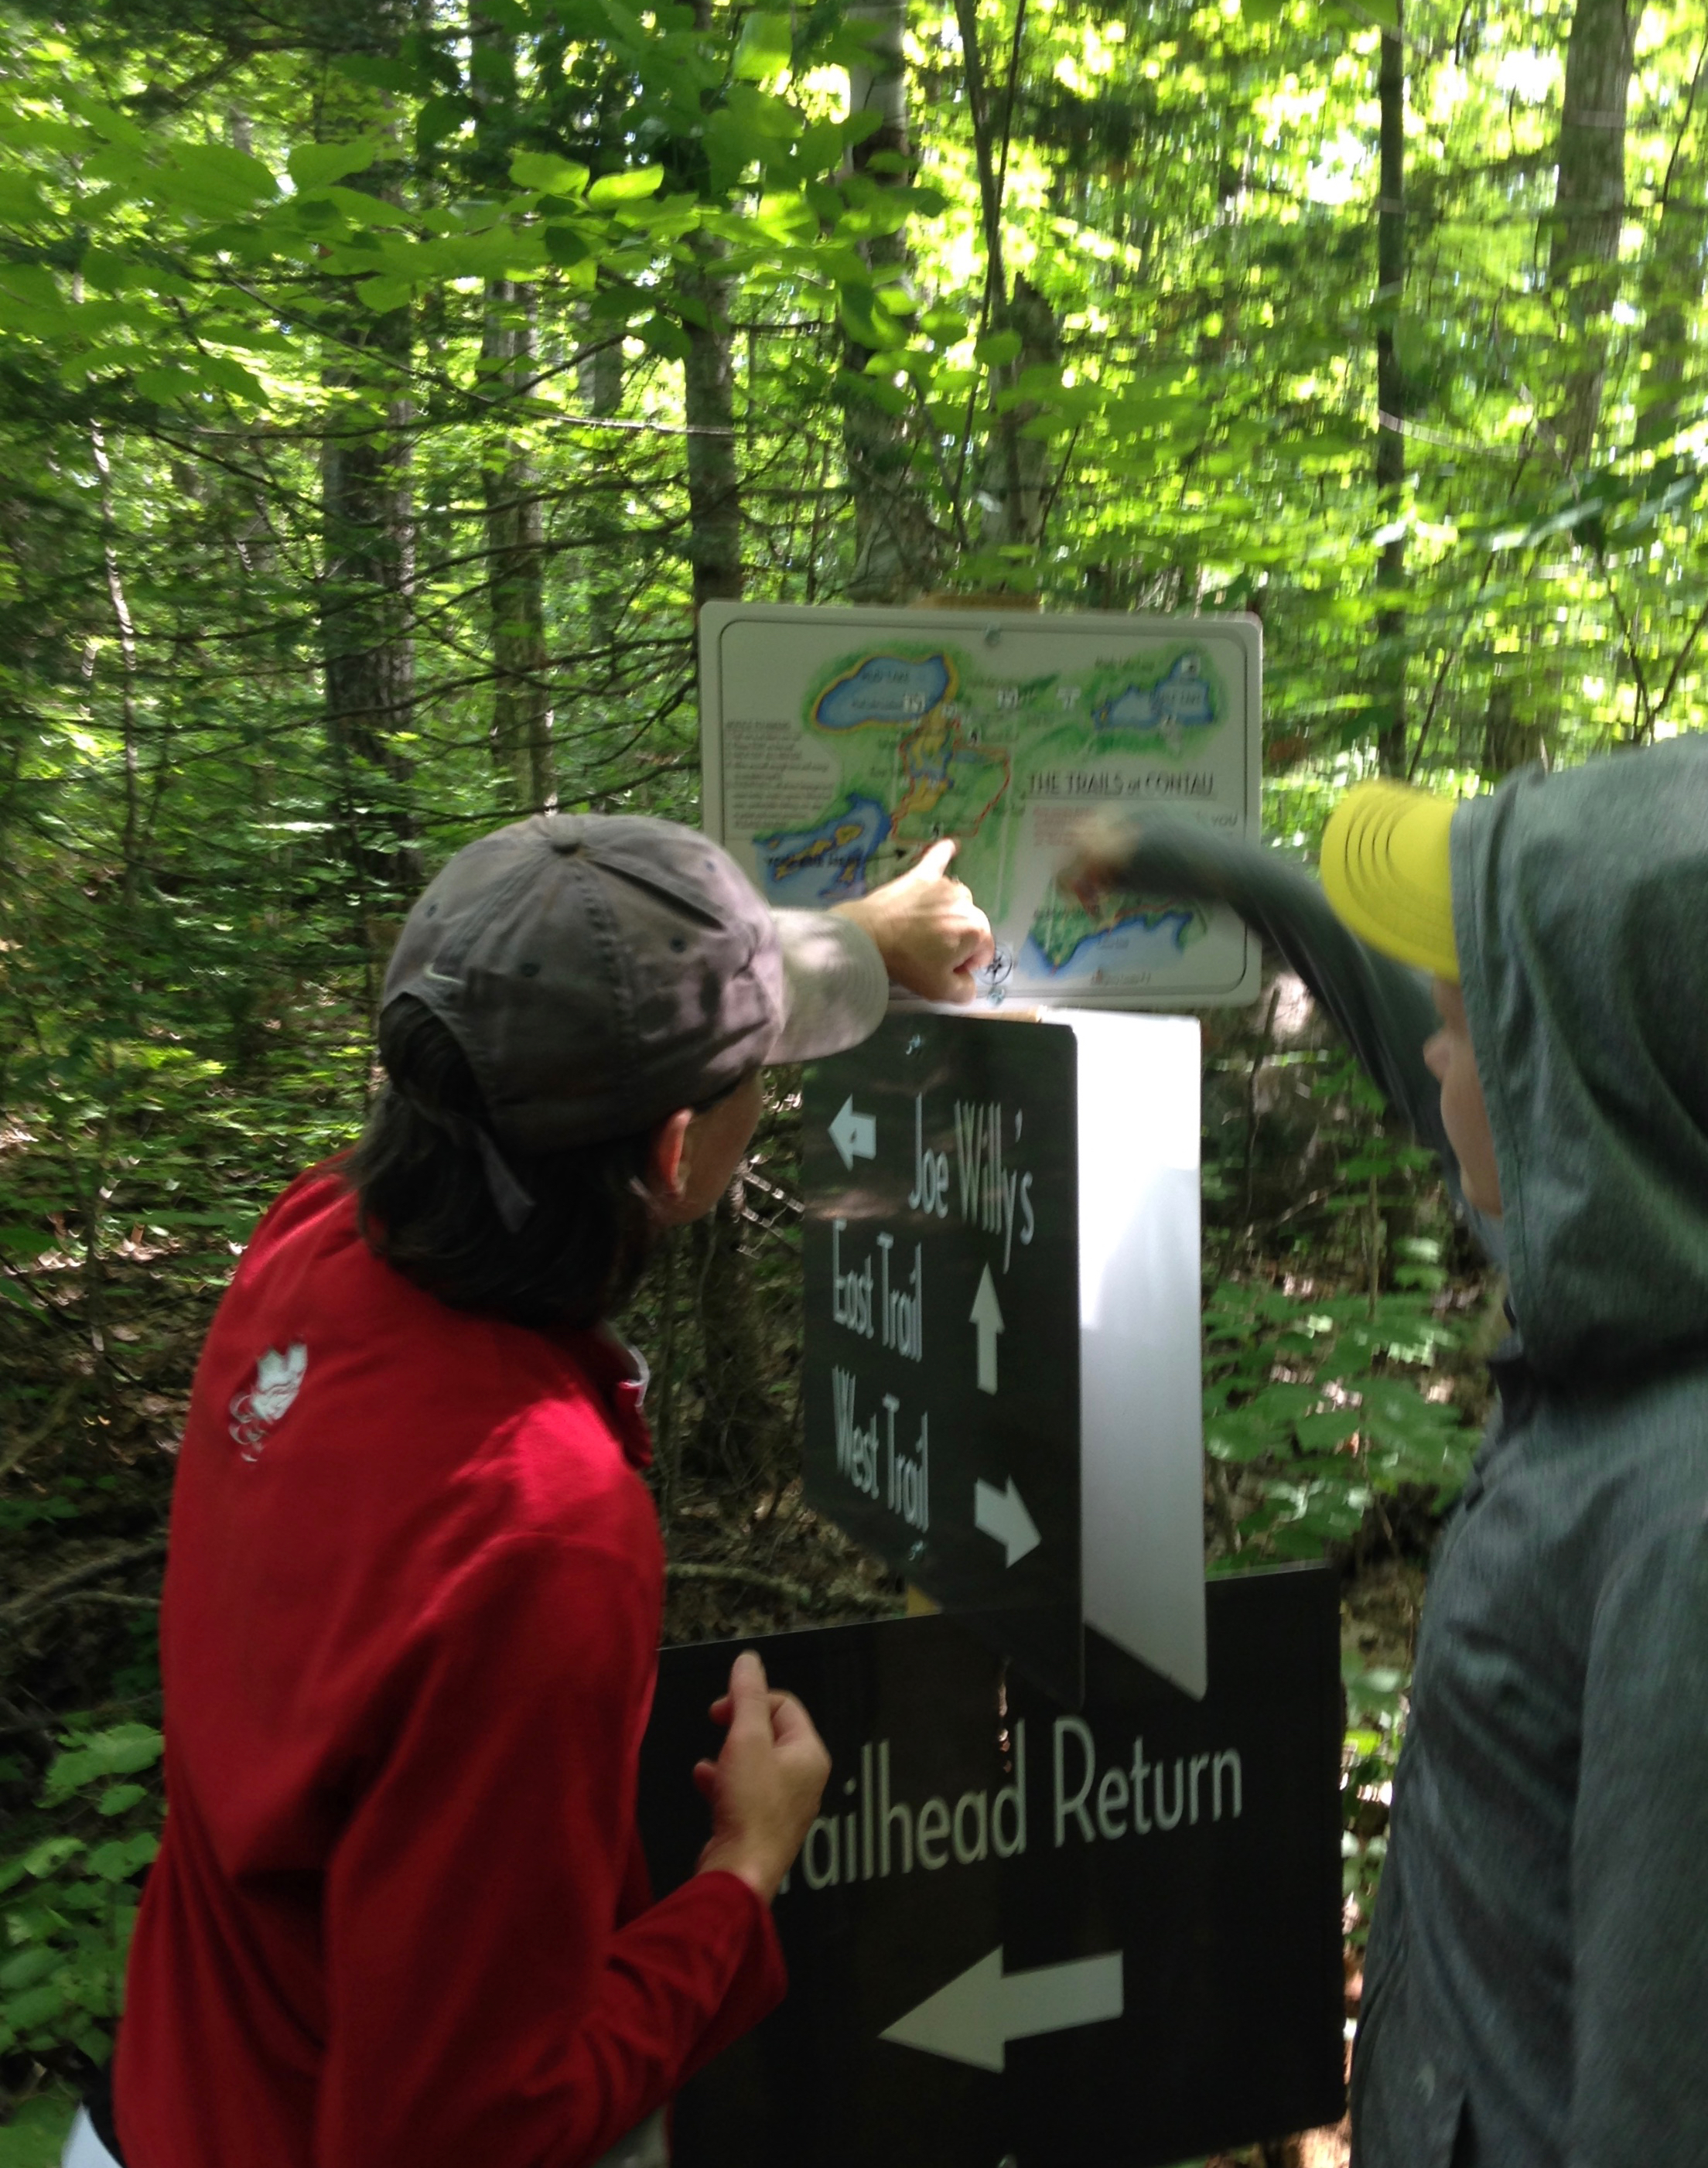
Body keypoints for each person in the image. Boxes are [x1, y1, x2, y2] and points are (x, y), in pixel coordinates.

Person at [80, 818, 992, 2168]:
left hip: (160, 2112)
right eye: (759, 1076)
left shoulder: (310, 1246)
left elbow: (599, 1023)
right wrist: (740, 1876)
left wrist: (866, 935)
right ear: (677, 1153)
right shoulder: (543, 1529)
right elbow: (461, 2130)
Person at [1068, 736, 1708, 2166]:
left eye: (1470, 1024)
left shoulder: (1685, 1528)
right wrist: (1206, 862)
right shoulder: (1635, 1253)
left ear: (1592, 1090)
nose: (1431, 1059)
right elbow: (1408, 1036)